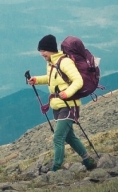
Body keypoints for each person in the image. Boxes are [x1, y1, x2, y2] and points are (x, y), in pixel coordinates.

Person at [27, 34, 96, 172]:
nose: (41, 54)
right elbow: (52, 79)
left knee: (58, 137)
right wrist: (37, 80)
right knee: (70, 137)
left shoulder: (65, 62)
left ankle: (56, 168)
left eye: (42, 51)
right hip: (58, 106)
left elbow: (78, 81)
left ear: (49, 49)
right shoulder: (51, 63)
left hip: (69, 105)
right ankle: (88, 161)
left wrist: (67, 93)